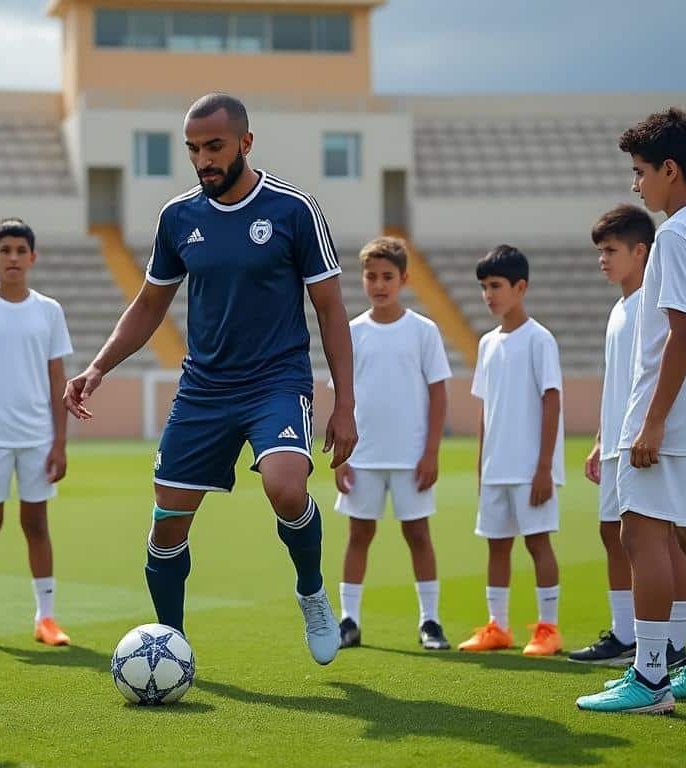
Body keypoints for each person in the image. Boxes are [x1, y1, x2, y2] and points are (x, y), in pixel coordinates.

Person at [64, 92, 357, 665]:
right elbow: (149, 306)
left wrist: (345, 402)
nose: (203, 160)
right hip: (204, 388)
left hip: (278, 380)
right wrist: (98, 367)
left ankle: (312, 592)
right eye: (193, 149)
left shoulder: (295, 210)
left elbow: (329, 308)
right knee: (168, 519)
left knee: (286, 486)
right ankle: (168, 646)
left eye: (215, 147)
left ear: (246, 143)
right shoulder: (178, 218)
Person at [577, 107, 686, 714]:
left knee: (640, 535)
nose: (636, 184)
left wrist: (652, 420)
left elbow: (684, 334)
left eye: (640, 172)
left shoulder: (671, 236)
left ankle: (648, 679)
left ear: (671, 169)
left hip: (666, 419)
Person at [570, 204, 686, 667]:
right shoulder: (619, 308)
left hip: (644, 439)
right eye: (600, 251)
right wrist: (602, 437)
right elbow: (617, 381)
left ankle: (675, 643)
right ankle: (625, 634)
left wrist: (651, 427)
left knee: (659, 538)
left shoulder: (652, 304)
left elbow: (660, 375)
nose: (602, 259)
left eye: (611, 250)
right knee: (613, 533)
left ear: (641, 251)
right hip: (618, 440)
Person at [0, 218, 73, 649]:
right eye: (4, 250)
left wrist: (60, 442)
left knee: (36, 524)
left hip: (38, 437)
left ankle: (46, 618)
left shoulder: (49, 310)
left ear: (33, 258)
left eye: (21, 251)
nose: (13, 258)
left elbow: (57, 377)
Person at [334, 236, 451, 651]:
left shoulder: (423, 330)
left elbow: (438, 393)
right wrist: (340, 457)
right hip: (362, 456)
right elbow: (341, 397)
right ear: (362, 280)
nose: (379, 284)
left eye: (387, 276)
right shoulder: (350, 332)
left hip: (411, 457)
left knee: (418, 534)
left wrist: (431, 451)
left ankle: (431, 621)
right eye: (371, 276)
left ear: (404, 278)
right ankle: (348, 620)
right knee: (358, 535)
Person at [458, 245, 565, 657]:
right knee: (496, 545)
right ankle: (498, 627)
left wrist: (543, 467)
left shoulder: (540, 340)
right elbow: (487, 408)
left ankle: (548, 629)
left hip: (529, 468)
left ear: (521, 287)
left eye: (496, 286)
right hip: (496, 467)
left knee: (538, 544)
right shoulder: (487, 344)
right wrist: (480, 467)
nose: (489, 295)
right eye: (484, 287)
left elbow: (552, 401)